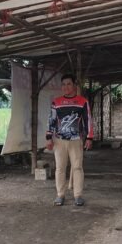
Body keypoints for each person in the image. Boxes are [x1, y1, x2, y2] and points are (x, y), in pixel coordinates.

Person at [45, 74, 93, 206]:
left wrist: (89, 137)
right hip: (59, 141)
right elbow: (51, 120)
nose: (66, 87)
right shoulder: (56, 102)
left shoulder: (82, 101)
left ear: (74, 86)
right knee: (60, 168)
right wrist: (49, 137)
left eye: (69, 84)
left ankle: (78, 195)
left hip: (76, 140)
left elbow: (88, 120)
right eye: (63, 84)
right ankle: (60, 195)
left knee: (77, 167)